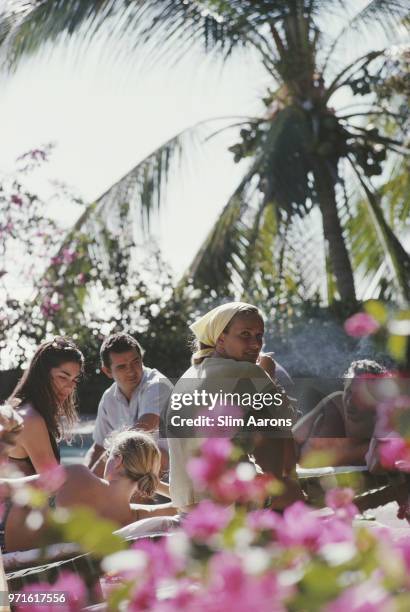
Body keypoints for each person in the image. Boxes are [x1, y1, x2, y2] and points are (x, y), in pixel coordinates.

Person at [166, 301, 304, 514]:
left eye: (259, 335)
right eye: (245, 334)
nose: (255, 344)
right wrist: (269, 372)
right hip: (226, 502)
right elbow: (289, 419)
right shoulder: (248, 372)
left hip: (185, 504)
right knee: (276, 432)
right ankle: (280, 501)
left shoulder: (190, 374)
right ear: (221, 339)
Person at [3, 430, 175, 553]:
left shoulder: (77, 475)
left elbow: (9, 488)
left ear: (118, 461)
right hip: (30, 575)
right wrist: (151, 480)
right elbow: (188, 504)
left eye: (108, 456)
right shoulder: (135, 518)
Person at [86, 333, 172, 476]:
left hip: (171, 471)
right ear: (107, 371)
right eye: (121, 367)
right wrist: (86, 478)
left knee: (138, 452)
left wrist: (98, 481)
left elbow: (140, 432)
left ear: (142, 359)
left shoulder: (157, 384)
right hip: (140, 470)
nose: (131, 371)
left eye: (135, 362)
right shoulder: (109, 398)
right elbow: (98, 447)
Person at [7, 337, 84, 476]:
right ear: (42, 375)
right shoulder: (29, 419)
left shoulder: (22, 409)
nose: (70, 387)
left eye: (74, 379)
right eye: (63, 377)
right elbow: (53, 484)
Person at [293, 359, 388, 466]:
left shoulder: (380, 427)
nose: (350, 401)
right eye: (348, 391)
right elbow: (293, 438)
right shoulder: (335, 402)